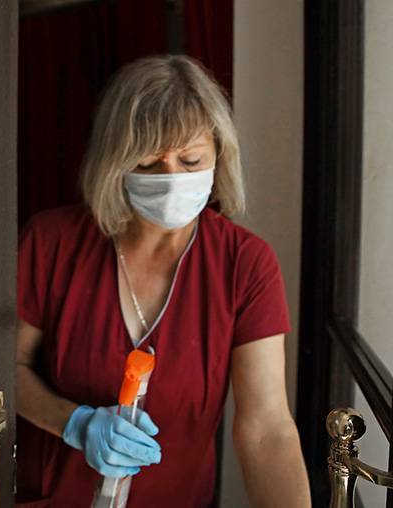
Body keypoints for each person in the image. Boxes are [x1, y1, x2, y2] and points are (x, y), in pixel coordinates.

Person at [15, 55, 310, 507]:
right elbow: (4, 369)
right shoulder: (51, 242)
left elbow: (267, 429)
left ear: (219, 156)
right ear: (114, 162)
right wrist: (73, 422)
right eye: (149, 162)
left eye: (191, 160)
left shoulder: (245, 264)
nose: (172, 179)